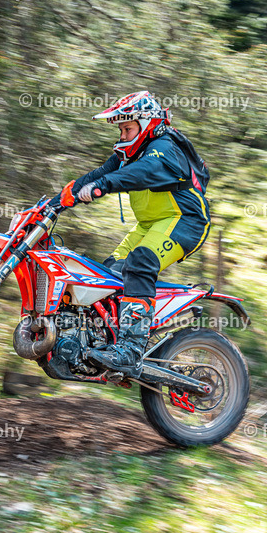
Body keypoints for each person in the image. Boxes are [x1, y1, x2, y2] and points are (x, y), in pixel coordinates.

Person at [59, 91, 212, 375]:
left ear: (147, 124)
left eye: (128, 128)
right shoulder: (130, 153)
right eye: (121, 129)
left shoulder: (164, 148)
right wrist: (57, 201)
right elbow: (99, 173)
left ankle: (130, 349)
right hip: (149, 224)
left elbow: (142, 172)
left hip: (184, 220)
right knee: (108, 273)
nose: (123, 134)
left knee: (140, 262)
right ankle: (106, 342)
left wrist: (102, 186)